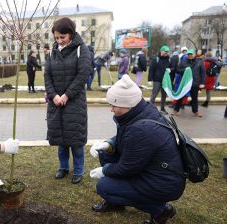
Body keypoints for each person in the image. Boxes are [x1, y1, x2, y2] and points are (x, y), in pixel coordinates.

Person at [90, 74, 185, 224]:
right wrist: (109, 144)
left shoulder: (142, 129)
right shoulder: (140, 112)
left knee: (104, 186)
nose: (111, 109)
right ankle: (116, 202)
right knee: (106, 153)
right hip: (152, 170)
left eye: (114, 105)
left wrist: (105, 171)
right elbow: (127, 139)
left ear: (127, 104)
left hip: (162, 182)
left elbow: (127, 167)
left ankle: (160, 211)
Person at [44, 17, 91, 184]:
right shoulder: (52, 51)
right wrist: (54, 95)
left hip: (74, 103)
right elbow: (47, 76)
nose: (59, 40)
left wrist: (66, 95)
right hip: (56, 103)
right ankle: (63, 167)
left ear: (71, 34)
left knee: (76, 140)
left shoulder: (81, 49)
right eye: (56, 37)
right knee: (61, 140)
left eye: (62, 37)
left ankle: (78, 171)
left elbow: (83, 75)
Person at [173, 49, 205, 117]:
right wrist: (185, 70)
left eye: (191, 54)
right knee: (180, 97)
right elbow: (177, 70)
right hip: (185, 83)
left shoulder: (199, 62)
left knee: (194, 98)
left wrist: (202, 82)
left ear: (194, 54)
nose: (190, 55)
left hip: (195, 83)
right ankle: (176, 110)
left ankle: (195, 111)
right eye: (188, 54)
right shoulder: (183, 62)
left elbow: (203, 73)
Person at [149, 45, 171, 113]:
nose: (167, 53)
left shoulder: (169, 59)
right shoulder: (156, 59)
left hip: (165, 80)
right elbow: (151, 69)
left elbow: (173, 67)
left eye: (167, 52)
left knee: (164, 95)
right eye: (165, 51)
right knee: (154, 94)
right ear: (161, 51)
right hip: (157, 80)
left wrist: (170, 69)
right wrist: (150, 79)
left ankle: (162, 108)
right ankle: (150, 108)